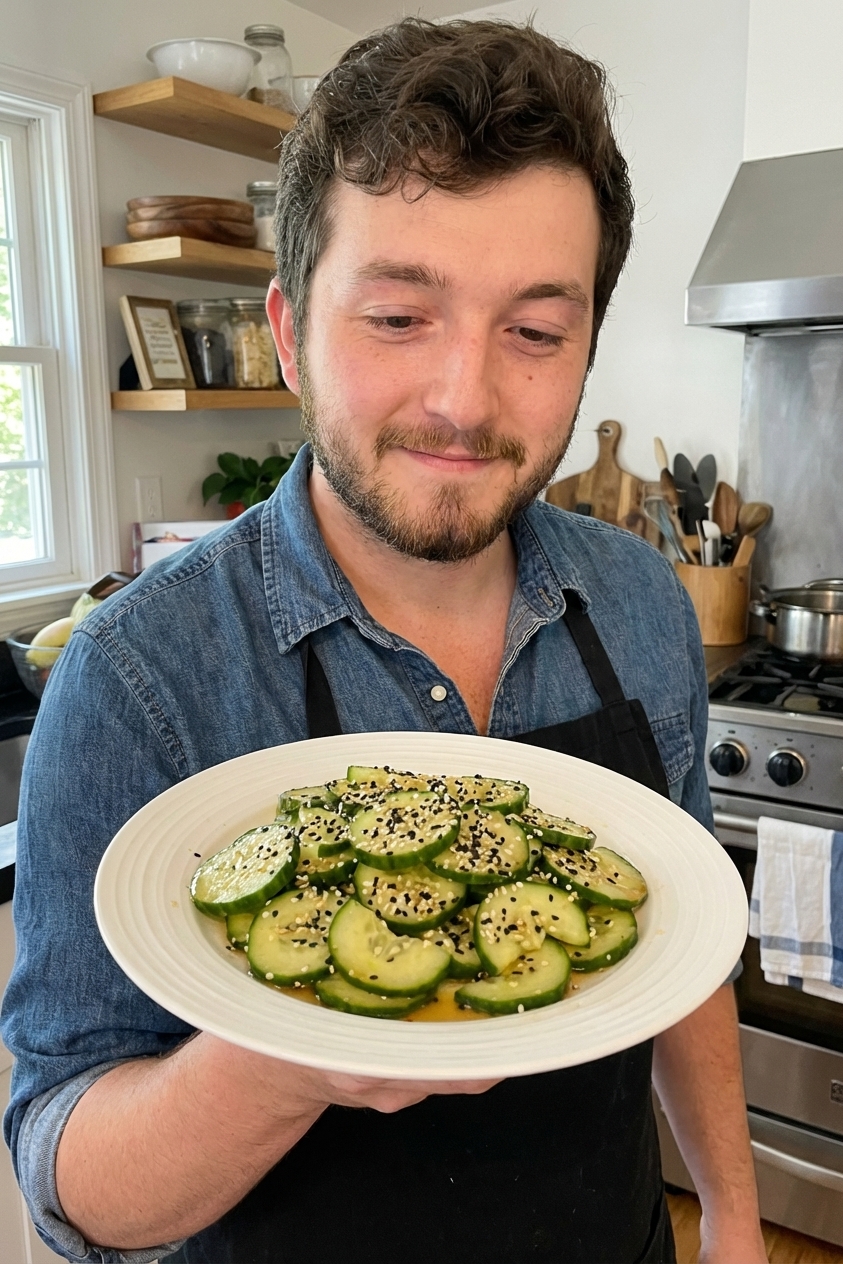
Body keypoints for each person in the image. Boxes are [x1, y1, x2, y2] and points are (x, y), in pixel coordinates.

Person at [2, 18, 767, 1264]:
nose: (465, 399)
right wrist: (297, 1053)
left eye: (533, 330)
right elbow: (69, 1183)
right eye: (401, 315)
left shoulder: (641, 603)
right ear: (293, 330)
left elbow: (686, 951)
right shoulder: (139, 675)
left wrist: (733, 1212)